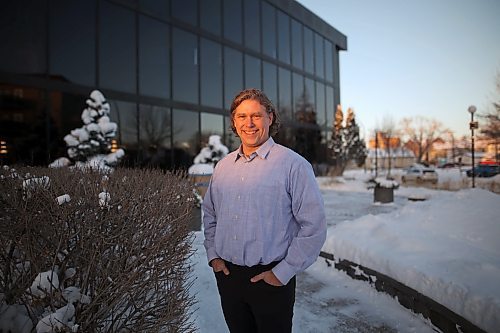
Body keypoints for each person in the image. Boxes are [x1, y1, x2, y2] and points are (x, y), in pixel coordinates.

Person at [203, 88, 327, 333]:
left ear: (270, 117)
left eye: (256, 115)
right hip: (228, 277)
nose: (249, 123)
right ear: (234, 122)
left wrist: (282, 273)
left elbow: (314, 227)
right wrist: (214, 256)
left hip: (271, 280)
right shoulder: (223, 167)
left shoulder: (293, 165)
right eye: (241, 116)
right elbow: (210, 215)